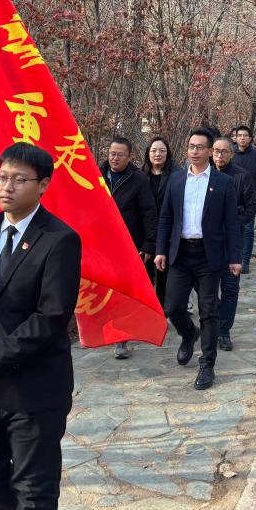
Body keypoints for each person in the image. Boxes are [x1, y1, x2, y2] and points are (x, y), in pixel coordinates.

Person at [0, 143, 81, 510]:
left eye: (19, 180)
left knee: (34, 487)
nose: (6, 187)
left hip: (35, 387)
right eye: (2, 177)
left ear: (43, 185)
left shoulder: (59, 239)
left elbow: (52, 318)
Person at [155, 129, 242, 390]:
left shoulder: (223, 183)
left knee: (208, 310)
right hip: (180, 253)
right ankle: (188, 334)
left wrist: (235, 257)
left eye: (200, 147)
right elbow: (166, 218)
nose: (194, 151)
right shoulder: (176, 180)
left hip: (208, 255)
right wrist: (161, 250)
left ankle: (207, 364)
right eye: (191, 146)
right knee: (173, 307)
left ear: (210, 151)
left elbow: (232, 222)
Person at [99, 136, 157, 360]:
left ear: (129, 157)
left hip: (128, 244)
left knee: (123, 291)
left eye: (120, 155)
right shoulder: (97, 174)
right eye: (112, 153)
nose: (114, 158)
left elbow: (149, 212)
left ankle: (121, 338)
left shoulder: (138, 178)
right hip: (102, 244)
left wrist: (149, 243)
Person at [212, 137, 256, 351]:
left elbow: (251, 207)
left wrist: (233, 222)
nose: (219, 155)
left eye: (224, 151)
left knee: (230, 288)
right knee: (206, 288)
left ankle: (224, 330)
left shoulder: (241, 176)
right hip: (207, 242)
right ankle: (213, 322)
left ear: (231, 154)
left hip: (232, 241)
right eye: (216, 151)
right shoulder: (203, 175)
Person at [142, 135, 179, 307]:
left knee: (165, 274)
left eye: (162, 151)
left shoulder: (176, 176)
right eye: (154, 150)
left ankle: (162, 310)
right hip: (146, 233)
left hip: (168, 233)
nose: (157, 154)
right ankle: (149, 310)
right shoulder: (140, 176)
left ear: (168, 154)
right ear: (148, 153)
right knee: (146, 274)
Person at [233, 125, 256, 274]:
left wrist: (255, 185)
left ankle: (245, 261)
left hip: (250, 197)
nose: (242, 138)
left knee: (248, 230)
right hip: (231, 195)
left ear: (250, 138)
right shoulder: (230, 153)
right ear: (235, 138)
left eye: (245, 135)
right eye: (239, 135)